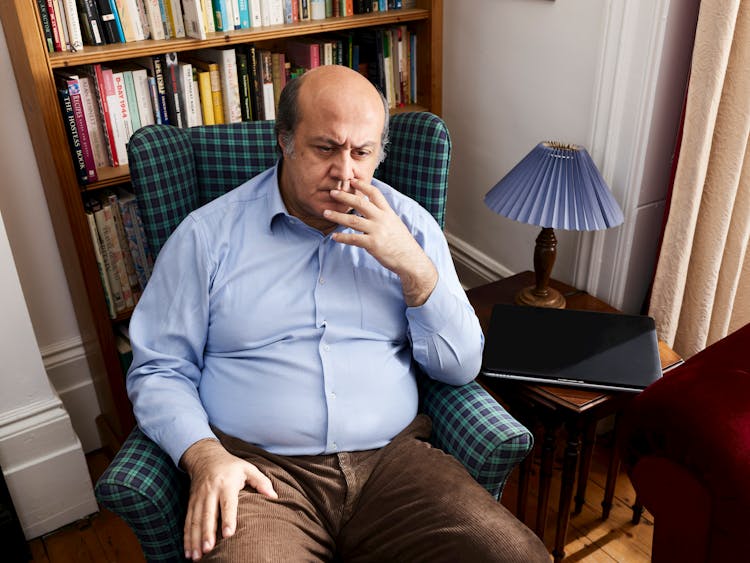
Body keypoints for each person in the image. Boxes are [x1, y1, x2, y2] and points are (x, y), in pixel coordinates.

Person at [126, 65, 549, 562]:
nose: (345, 171)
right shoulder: (206, 237)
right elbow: (159, 368)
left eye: (362, 152)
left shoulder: (409, 225)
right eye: (325, 148)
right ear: (285, 141)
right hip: (262, 475)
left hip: (394, 462)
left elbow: (460, 368)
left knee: (514, 556)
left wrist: (413, 267)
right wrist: (205, 456)